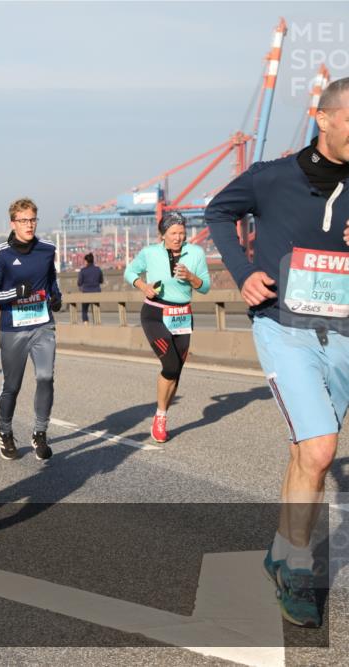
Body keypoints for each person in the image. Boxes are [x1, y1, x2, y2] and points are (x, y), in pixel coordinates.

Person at [206, 77, 349, 629]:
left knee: (305, 453)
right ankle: (297, 571)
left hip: (341, 333)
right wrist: (243, 274)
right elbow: (218, 212)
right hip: (283, 327)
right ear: (324, 118)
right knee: (320, 450)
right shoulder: (271, 178)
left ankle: (278, 551)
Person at [0, 198, 62, 462]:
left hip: (42, 325)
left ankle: (40, 432)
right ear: (13, 223)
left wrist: (56, 295)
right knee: (12, 387)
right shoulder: (2, 253)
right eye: (24, 220)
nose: (29, 225)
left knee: (45, 377)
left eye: (33, 220)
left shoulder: (47, 249)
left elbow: (51, 280)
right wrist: (14, 293)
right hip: (13, 329)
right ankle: (5, 431)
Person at [124, 212, 210, 443]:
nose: (178, 237)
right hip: (155, 313)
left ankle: (162, 414)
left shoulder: (196, 253)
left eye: (181, 232)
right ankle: (160, 417)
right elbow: (129, 272)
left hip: (182, 314)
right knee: (170, 366)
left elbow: (205, 287)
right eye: (173, 233)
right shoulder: (150, 253)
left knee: (177, 370)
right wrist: (143, 285)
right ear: (162, 234)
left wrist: (191, 277)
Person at [77, 252, 104, 323]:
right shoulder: (98, 269)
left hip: (86, 292)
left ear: (86, 261)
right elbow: (101, 281)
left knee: (84, 310)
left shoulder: (83, 271)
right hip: (96, 292)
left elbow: (79, 283)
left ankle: (86, 323)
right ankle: (97, 323)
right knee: (96, 309)